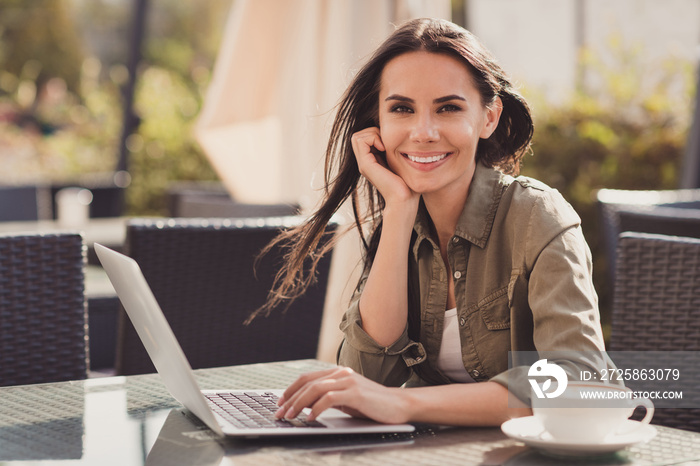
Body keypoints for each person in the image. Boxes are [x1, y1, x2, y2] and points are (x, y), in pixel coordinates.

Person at [261, 17, 606, 426]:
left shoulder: (538, 217)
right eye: (402, 109)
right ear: (379, 124)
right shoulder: (398, 220)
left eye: (448, 108)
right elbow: (367, 377)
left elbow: (581, 386)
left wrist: (407, 405)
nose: (423, 132)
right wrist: (400, 209)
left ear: (488, 117)